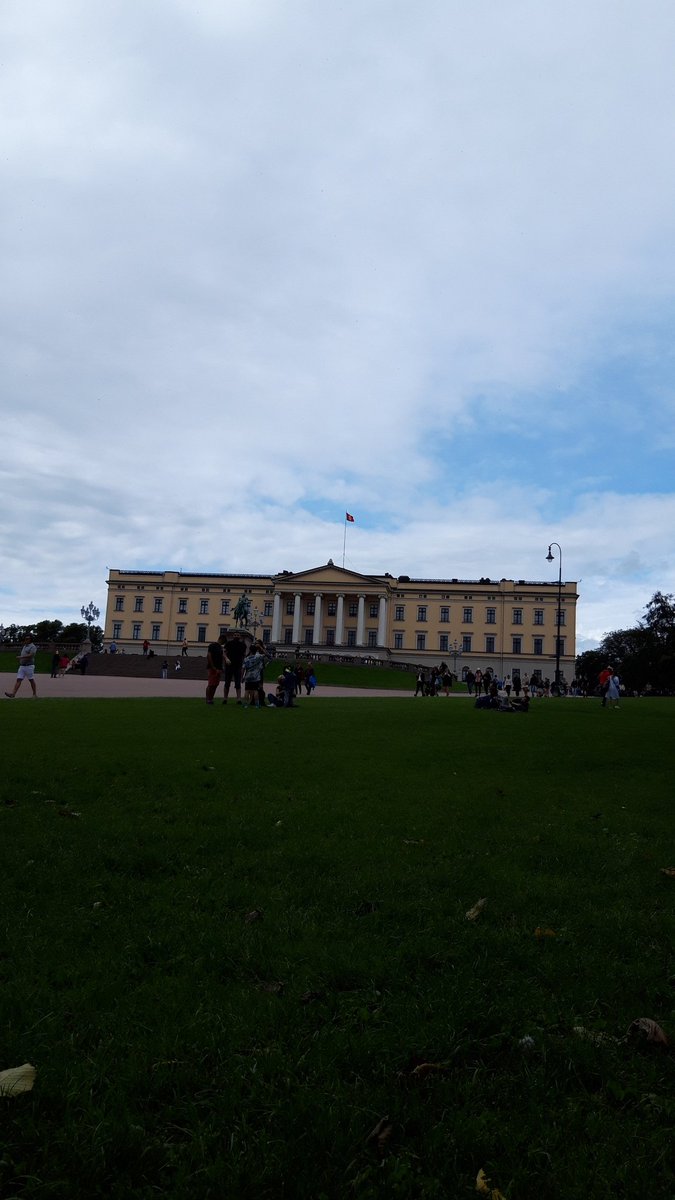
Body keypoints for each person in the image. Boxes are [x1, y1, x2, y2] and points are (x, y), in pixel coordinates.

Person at [222, 632, 246, 704]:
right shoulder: (229, 643)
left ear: (240, 636)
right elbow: (224, 652)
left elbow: (244, 655)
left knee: (238, 683)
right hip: (229, 665)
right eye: (235, 635)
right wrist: (226, 659)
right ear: (233, 636)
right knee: (227, 683)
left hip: (238, 666)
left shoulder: (243, 645)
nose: (236, 636)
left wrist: (243, 665)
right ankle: (225, 698)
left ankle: (238, 699)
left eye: (238, 635)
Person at [242, 641, 267, 708]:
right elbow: (266, 654)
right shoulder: (258, 657)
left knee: (247, 691)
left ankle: (245, 705)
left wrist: (242, 677)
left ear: (250, 650)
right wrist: (261, 648)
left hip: (248, 676)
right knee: (255, 691)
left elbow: (243, 668)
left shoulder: (246, 659)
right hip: (256, 677)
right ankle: (257, 704)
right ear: (256, 650)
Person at [205, 636, 227, 705]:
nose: (223, 644)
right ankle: (208, 699)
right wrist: (213, 667)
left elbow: (221, 658)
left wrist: (221, 667)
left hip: (218, 668)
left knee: (215, 685)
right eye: (223, 642)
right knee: (211, 684)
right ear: (221, 639)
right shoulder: (212, 645)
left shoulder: (220, 648)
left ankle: (211, 699)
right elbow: (209, 655)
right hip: (212, 668)